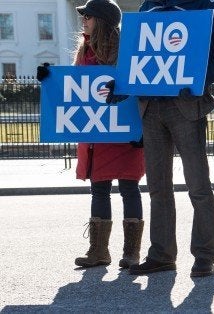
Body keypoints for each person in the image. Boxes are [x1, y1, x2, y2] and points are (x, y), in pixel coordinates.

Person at [36, 0, 145, 269]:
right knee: (99, 190)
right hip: (97, 134)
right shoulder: (83, 50)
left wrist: (140, 129)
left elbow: (139, 89)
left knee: (129, 188)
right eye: (83, 15)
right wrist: (48, 79)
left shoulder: (126, 50)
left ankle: (131, 253)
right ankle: (98, 251)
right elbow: (73, 92)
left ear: (103, 20)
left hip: (124, 133)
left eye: (88, 16)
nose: (83, 19)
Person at [121, 0, 214, 278]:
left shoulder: (207, 5)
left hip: (185, 105)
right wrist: (123, 84)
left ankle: (204, 256)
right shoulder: (148, 6)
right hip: (150, 106)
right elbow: (136, 52)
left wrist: (199, 82)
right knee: (158, 187)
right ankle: (161, 255)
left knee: (198, 186)